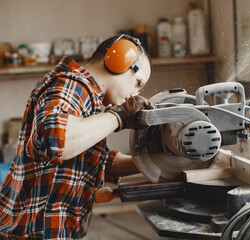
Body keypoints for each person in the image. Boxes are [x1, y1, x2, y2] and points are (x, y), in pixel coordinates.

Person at [0, 34, 154, 239]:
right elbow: (55, 139)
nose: (135, 95)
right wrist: (119, 116)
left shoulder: (88, 98)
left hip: (44, 229)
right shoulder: (72, 85)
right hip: (33, 231)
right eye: (137, 83)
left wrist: (152, 160)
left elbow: (99, 162)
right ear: (119, 61)